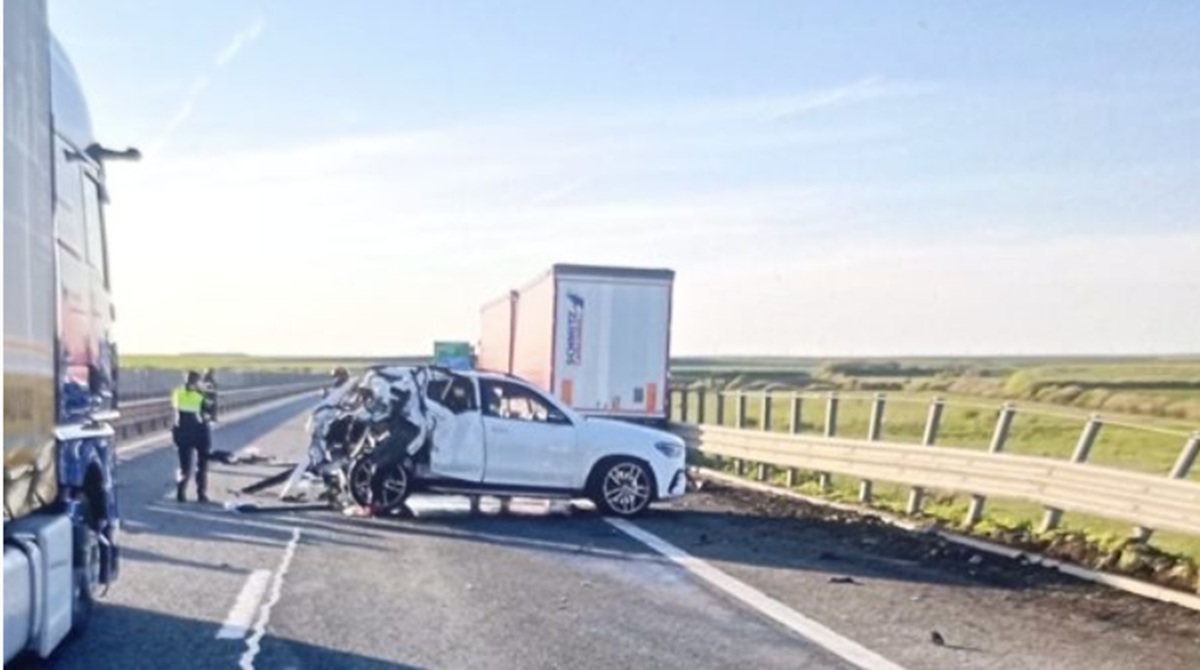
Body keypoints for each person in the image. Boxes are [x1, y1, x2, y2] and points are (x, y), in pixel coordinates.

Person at [172, 370, 210, 502]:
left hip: (182, 431)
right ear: (197, 381)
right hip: (199, 430)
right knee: (202, 465)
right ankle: (201, 494)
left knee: (184, 466)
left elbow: (176, 411)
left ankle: (180, 492)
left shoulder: (178, 392)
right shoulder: (201, 394)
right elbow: (207, 413)